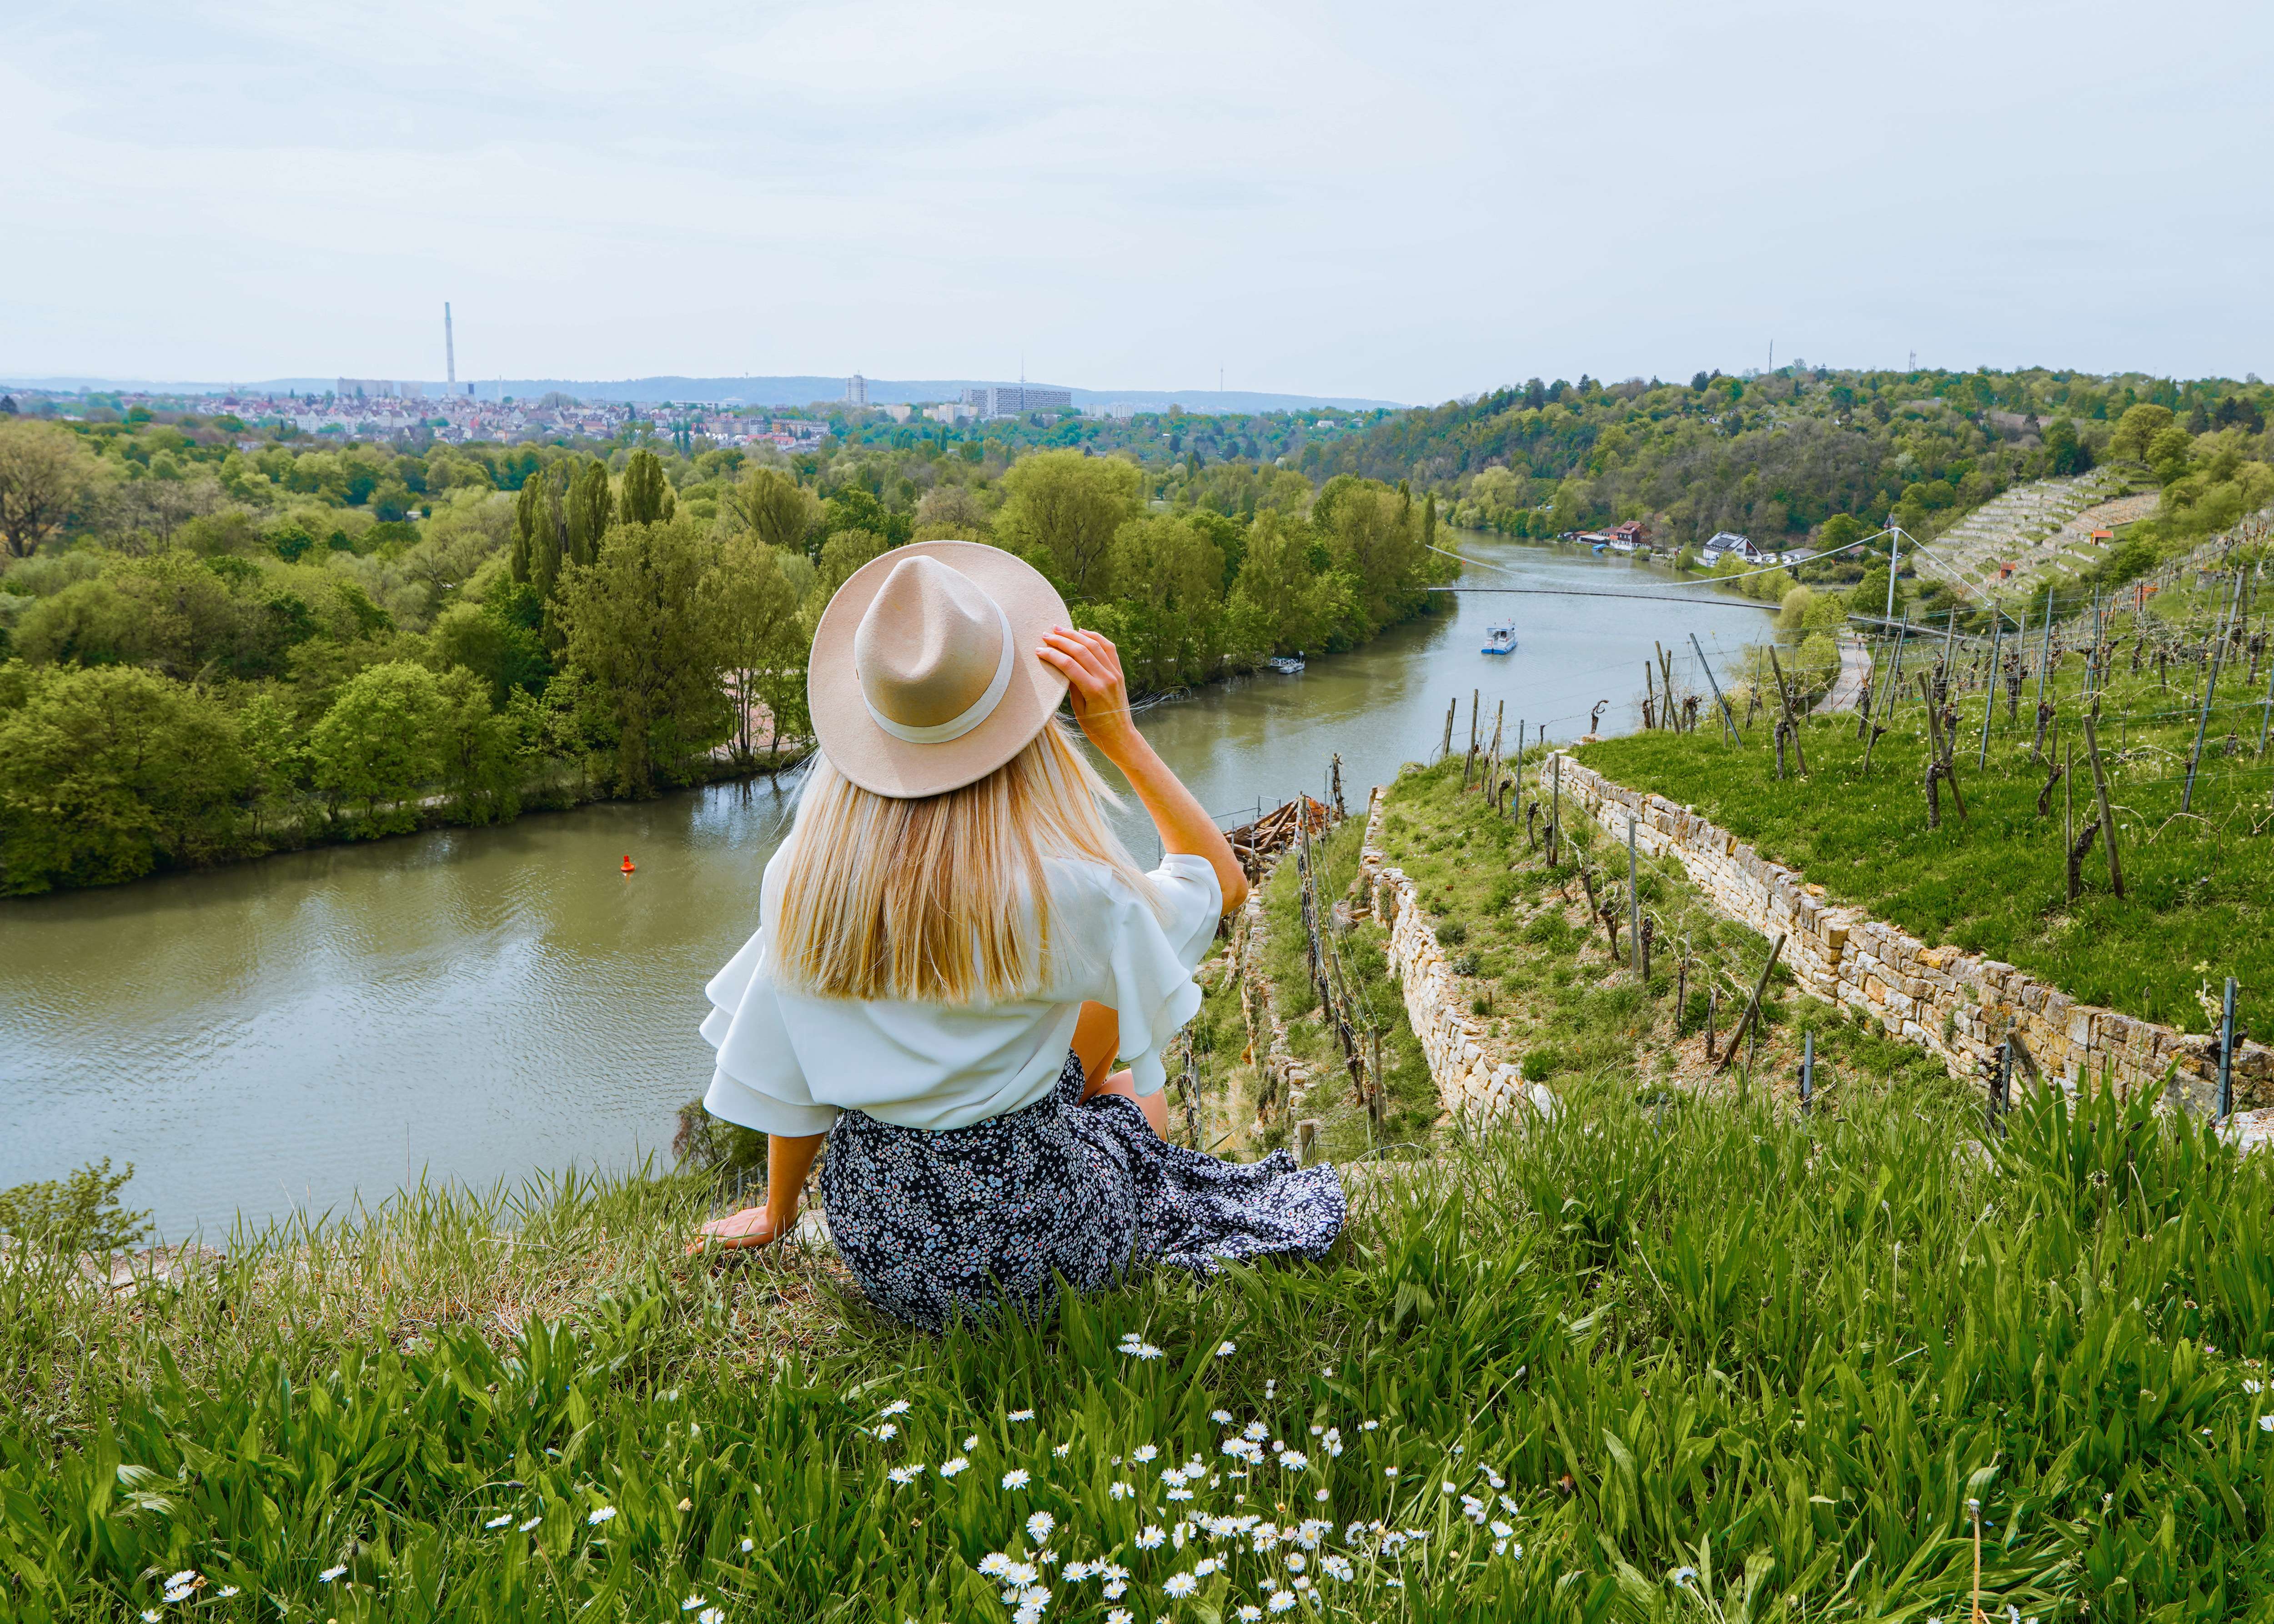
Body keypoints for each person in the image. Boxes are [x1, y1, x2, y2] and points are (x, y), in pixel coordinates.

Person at [691, 540, 1343, 1328]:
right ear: (1024, 724)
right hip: (1041, 1248)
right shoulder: (1067, 889)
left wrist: (777, 1212)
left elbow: (785, 1072)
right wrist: (1117, 732)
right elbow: (1222, 883)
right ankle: (1094, 1120)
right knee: (1134, 1079)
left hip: (883, 1239)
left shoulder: (803, 877)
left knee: (1097, 1016)